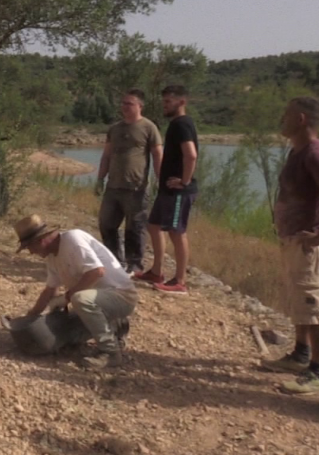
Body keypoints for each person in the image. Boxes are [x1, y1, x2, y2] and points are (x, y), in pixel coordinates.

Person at [260, 97, 319, 395]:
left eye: (285, 115)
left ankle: (318, 373)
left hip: (311, 245)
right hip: (295, 241)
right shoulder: (298, 152)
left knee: (315, 306)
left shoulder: (315, 154)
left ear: (300, 119)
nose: (280, 120)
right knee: (301, 302)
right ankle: (300, 355)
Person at [15, 214, 139, 369]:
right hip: (100, 300)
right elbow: (50, 290)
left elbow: (96, 272)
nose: (31, 252)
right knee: (70, 332)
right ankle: (117, 325)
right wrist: (30, 317)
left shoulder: (73, 239)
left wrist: (66, 297)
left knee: (80, 299)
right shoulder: (53, 258)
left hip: (122, 295)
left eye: (30, 247)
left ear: (41, 240)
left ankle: (111, 353)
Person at [135, 85, 198, 295]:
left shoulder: (182, 124)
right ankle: (156, 271)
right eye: (164, 102)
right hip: (167, 190)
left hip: (178, 191)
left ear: (181, 102)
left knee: (176, 231)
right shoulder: (175, 124)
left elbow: (191, 155)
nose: (165, 105)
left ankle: (180, 281)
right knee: (153, 226)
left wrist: (185, 181)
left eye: (168, 101)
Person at [94, 89, 163, 273]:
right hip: (113, 186)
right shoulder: (115, 129)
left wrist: (160, 180)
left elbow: (157, 155)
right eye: (123, 103)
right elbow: (106, 156)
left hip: (136, 188)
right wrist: (100, 179)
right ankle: (115, 261)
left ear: (140, 106)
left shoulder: (149, 127)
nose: (124, 107)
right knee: (106, 224)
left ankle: (135, 265)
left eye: (129, 103)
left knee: (135, 227)